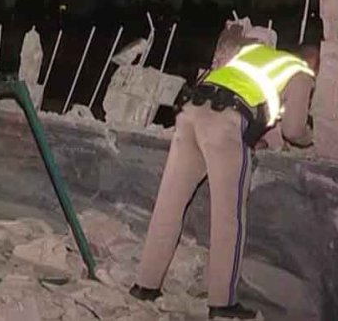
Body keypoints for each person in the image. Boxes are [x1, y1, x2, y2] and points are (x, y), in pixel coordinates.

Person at [131, 33, 319, 319]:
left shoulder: (254, 55)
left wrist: (260, 134)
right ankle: (222, 303)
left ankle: (145, 285)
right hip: (225, 124)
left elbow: (252, 98)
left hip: (191, 112)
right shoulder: (302, 72)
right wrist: (313, 140)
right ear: (312, 61)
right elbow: (294, 129)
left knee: (169, 205)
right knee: (229, 218)